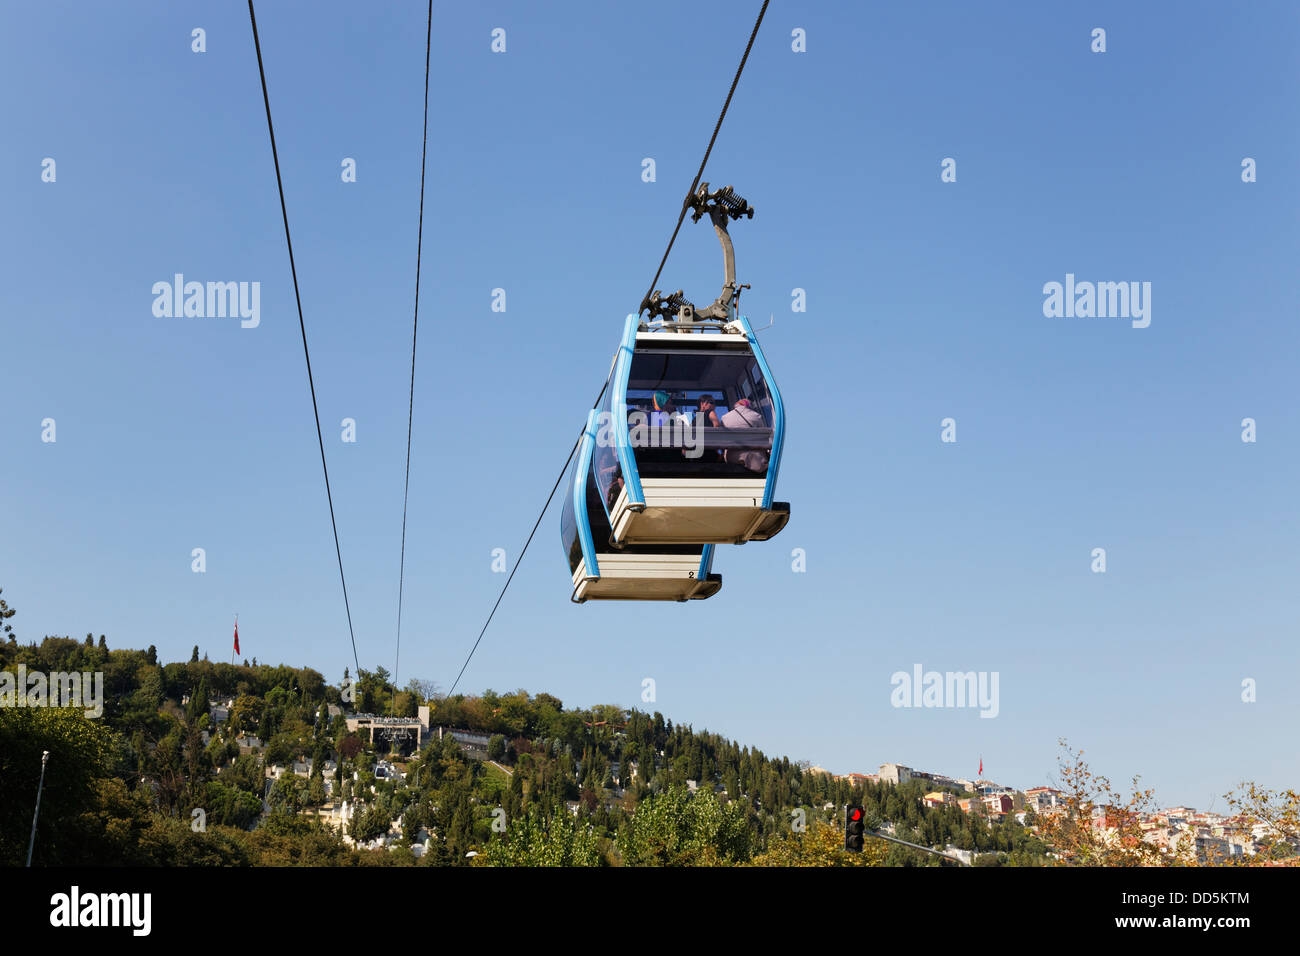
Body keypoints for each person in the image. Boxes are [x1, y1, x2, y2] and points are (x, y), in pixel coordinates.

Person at [720, 397, 768, 472]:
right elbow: (763, 438)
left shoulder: (724, 417)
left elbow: (722, 440)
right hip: (755, 459)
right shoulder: (757, 416)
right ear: (747, 405)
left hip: (732, 457)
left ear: (736, 405)